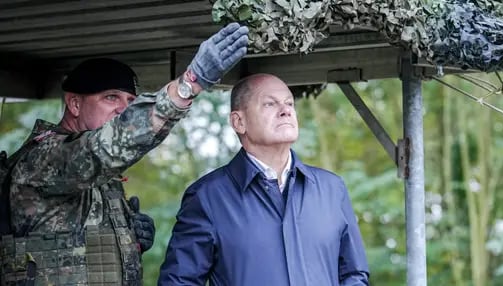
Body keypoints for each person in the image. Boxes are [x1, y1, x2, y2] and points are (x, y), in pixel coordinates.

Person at [0, 22, 249, 285]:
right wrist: (189, 84)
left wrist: (126, 239)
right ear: (74, 103)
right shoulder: (44, 158)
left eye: (130, 101)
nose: (122, 109)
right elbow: (110, 146)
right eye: (111, 97)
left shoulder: (96, 168)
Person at [158, 73, 370, 285]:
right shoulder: (207, 197)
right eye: (270, 104)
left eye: (289, 103)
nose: (286, 110)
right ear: (239, 122)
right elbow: (178, 281)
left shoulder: (332, 189)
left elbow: (354, 276)